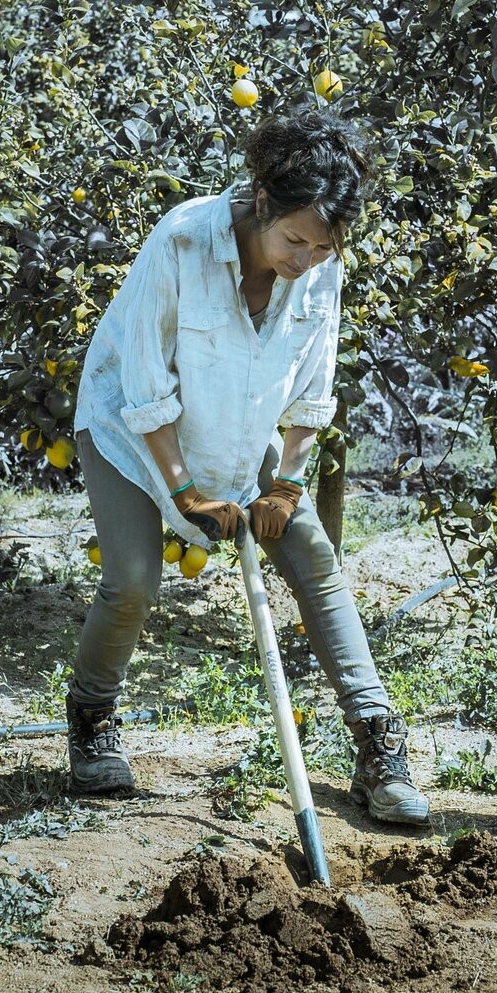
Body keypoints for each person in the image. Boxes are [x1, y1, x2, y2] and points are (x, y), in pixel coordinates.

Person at [65, 108, 430, 825]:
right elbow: (145, 385)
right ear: (262, 202)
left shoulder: (322, 267)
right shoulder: (181, 242)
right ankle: (91, 721)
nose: (304, 260)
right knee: (134, 579)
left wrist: (289, 481)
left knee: (312, 554)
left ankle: (379, 746)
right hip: (134, 429)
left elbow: (310, 389)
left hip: (236, 422)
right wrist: (185, 491)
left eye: (321, 248)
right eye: (294, 239)